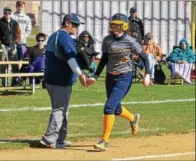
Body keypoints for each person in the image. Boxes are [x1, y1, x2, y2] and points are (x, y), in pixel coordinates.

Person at [86, 13, 150, 151]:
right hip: (110, 77)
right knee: (116, 109)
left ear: (124, 26)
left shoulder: (131, 41)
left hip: (124, 77)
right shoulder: (107, 40)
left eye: (117, 24)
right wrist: (95, 76)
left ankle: (104, 141)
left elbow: (145, 58)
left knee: (109, 107)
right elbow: (104, 59)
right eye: (112, 24)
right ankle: (133, 118)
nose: (113, 26)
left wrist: (147, 75)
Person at [40, 13, 89, 149]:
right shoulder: (64, 37)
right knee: (60, 109)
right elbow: (70, 58)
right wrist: (80, 74)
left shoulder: (54, 35)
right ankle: (50, 138)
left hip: (53, 78)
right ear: (67, 24)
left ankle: (60, 139)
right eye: (75, 25)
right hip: (60, 80)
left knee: (63, 109)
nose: (77, 28)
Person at [0, 6, 21, 86]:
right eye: (5, 13)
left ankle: (15, 84)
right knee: (4, 66)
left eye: (9, 13)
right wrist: (0, 44)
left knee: (15, 65)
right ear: (3, 13)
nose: (7, 14)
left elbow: (18, 34)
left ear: (11, 13)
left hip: (13, 47)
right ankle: (4, 84)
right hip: (2, 47)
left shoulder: (15, 23)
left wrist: (16, 42)